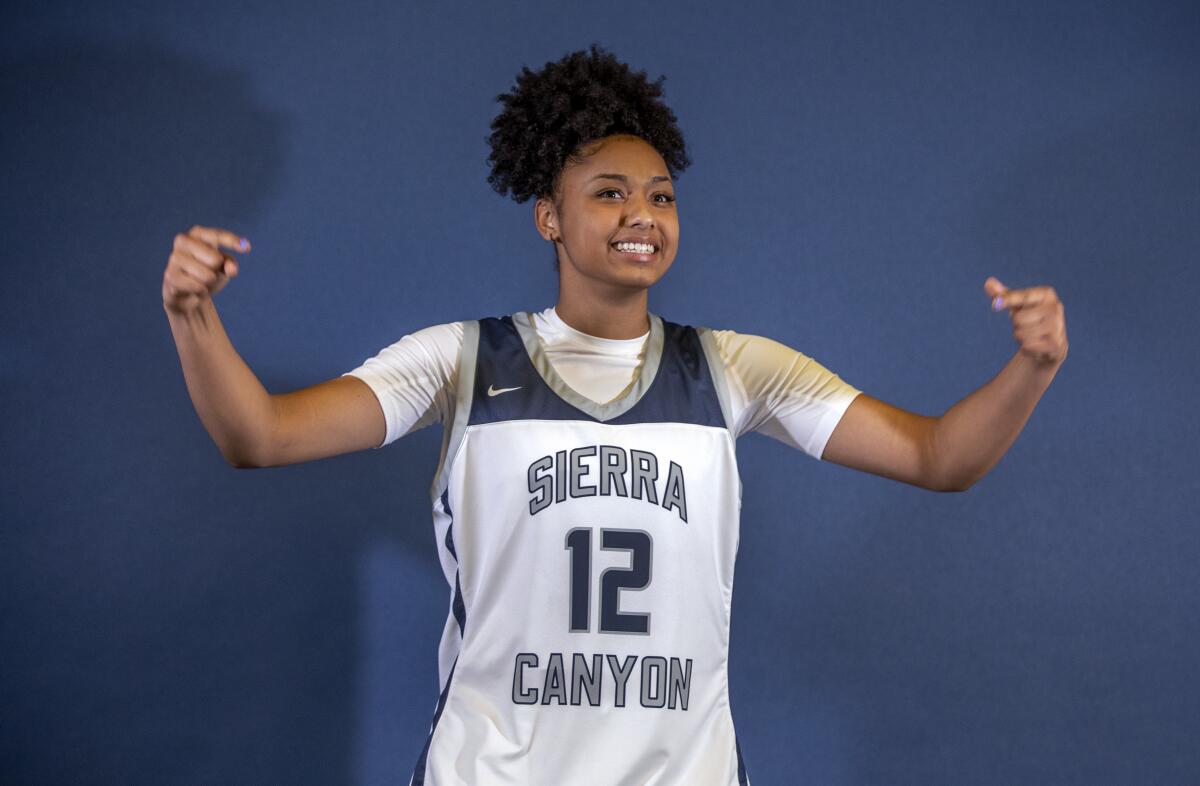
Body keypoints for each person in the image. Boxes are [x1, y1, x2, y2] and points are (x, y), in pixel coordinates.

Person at [162, 44, 1068, 786]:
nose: (644, 214)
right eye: (610, 192)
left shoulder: (733, 368)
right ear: (547, 216)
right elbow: (260, 437)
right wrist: (192, 315)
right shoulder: (460, 360)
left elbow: (941, 456)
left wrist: (1031, 366)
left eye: (662, 195)